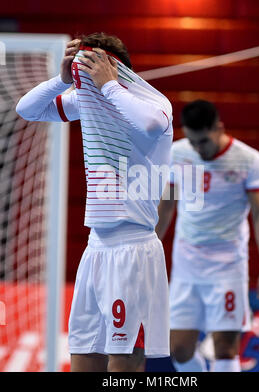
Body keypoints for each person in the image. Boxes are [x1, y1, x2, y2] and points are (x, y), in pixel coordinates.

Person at [16, 33, 173, 372]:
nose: (83, 75)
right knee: (84, 361)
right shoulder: (87, 98)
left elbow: (149, 126)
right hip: (95, 250)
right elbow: (26, 109)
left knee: (123, 368)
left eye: (89, 64)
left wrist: (109, 85)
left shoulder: (153, 102)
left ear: (112, 66)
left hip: (134, 252)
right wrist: (60, 80)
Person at [156, 99, 259, 372]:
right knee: (178, 350)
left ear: (218, 127)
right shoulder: (178, 153)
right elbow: (167, 205)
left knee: (225, 348)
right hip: (186, 265)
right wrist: (148, 250)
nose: (198, 149)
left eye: (203, 142)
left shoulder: (249, 160)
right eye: (192, 142)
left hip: (227, 265)